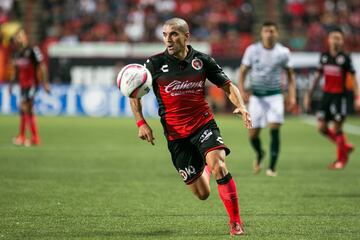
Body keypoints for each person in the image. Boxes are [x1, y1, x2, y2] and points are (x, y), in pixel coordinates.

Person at [129, 18, 252, 236]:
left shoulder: (202, 61)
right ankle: (204, 165)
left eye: (174, 34)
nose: (168, 39)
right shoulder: (153, 64)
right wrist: (141, 122)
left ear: (187, 36)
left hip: (203, 124)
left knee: (220, 166)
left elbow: (228, 85)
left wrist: (241, 106)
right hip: (176, 136)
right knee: (203, 194)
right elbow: (134, 93)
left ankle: (235, 222)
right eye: (165, 34)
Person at [238, 21, 296, 177]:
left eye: (272, 31)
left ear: (277, 33)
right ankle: (260, 153)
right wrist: (242, 91)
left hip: (275, 96)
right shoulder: (252, 50)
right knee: (253, 134)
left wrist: (292, 96)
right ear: (262, 33)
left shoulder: (283, 52)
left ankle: (272, 167)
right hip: (256, 97)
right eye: (266, 31)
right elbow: (243, 71)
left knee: (275, 129)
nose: (269, 34)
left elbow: (290, 75)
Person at [304, 28, 360, 169]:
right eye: (333, 38)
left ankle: (341, 160)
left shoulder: (345, 58)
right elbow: (317, 77)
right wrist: (309, 94)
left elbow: (353, 78)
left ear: (342, 41)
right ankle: (345, 147)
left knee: (337, 128)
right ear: (328, 40)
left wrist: (357, 97)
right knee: (322, 128)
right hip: (326, 96)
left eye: (338, 38)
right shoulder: (324, 57)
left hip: (340, 96)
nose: (335, 41)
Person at [10, 28, 50, 146]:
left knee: (25, 107)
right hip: (23, 85)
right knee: (24, 110)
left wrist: (45, 82)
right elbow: (16, 70)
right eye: (17, 36)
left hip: (33, 84)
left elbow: (42, 66)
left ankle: (33, 138)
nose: (19, 38)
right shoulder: (17, 53)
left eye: (20, 36)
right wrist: (12, 83)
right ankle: (25, 137)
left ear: (25, 37)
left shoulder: (33, 50)